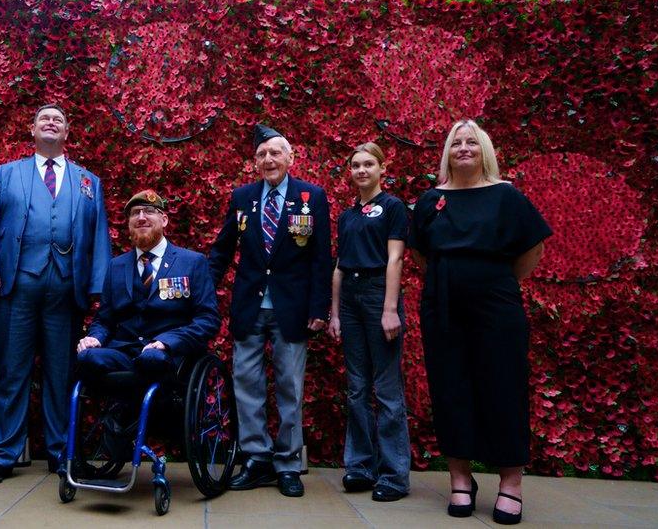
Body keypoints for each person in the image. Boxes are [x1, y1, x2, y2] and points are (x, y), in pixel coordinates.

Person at [409, 120, 550, 525]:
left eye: (472, 142)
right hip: (443, 304)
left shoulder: (507, 197)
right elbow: (420, 254)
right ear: (447, 153)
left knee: (502, 387)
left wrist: (490, 280)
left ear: (484, 150)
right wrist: (451, 279)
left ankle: (510, 483)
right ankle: (460, 479)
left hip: (496, 305)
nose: (464, 148)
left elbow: (531, 250)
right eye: (457, 142)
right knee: (450, 386)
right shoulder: (430, 199)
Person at [0, 104, 111, 486]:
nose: (51, 123)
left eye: (58, 120)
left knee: (61, 374)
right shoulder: (7, 174)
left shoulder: (89, 182)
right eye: (43, 119)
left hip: (66, 290)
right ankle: (2, 455)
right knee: (12, 373)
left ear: (67, 133)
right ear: (32, 130)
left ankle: (61, 453)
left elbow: (99, 235)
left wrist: (98, 287)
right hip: (15, 287)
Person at [209, 124, 332, 498]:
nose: (268, 159)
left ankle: (289, 464)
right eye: (262, 154)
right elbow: (223, 249)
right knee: (246, 385)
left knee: (290, 388)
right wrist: (203, 290)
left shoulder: (313, 196)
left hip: (291, 309)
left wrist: (319, 308)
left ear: (290, 158)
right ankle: (257, 459)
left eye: (275, 153)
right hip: (249, 306)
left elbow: (321, 258)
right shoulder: (242, 197)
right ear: (255, 161)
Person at [328, 142, 410, 502]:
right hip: (350, 299)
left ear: (381, 169)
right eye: (356, 165)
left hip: (379, 294)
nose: (361, 170)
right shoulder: (347, 215)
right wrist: (334, 312)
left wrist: (390, 309)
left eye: (368, 164)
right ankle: (360, 466)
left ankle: (393, 474)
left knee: (386, 389)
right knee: (357, 388)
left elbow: (395, 259)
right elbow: (339, 267)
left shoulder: (392, 208)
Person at [76, 189, 220, 385]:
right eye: (135, 213)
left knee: (152, 359)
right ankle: (120, 413)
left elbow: (207, 319)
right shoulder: (116, 266)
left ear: (164, 220)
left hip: (169, 354)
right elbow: (104, 320)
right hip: (125, 352)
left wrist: (167, 342)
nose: (141, 217)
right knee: (87, 357)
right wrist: (94, 338)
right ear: (129, 224)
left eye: (148, 211)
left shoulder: (192, 262)